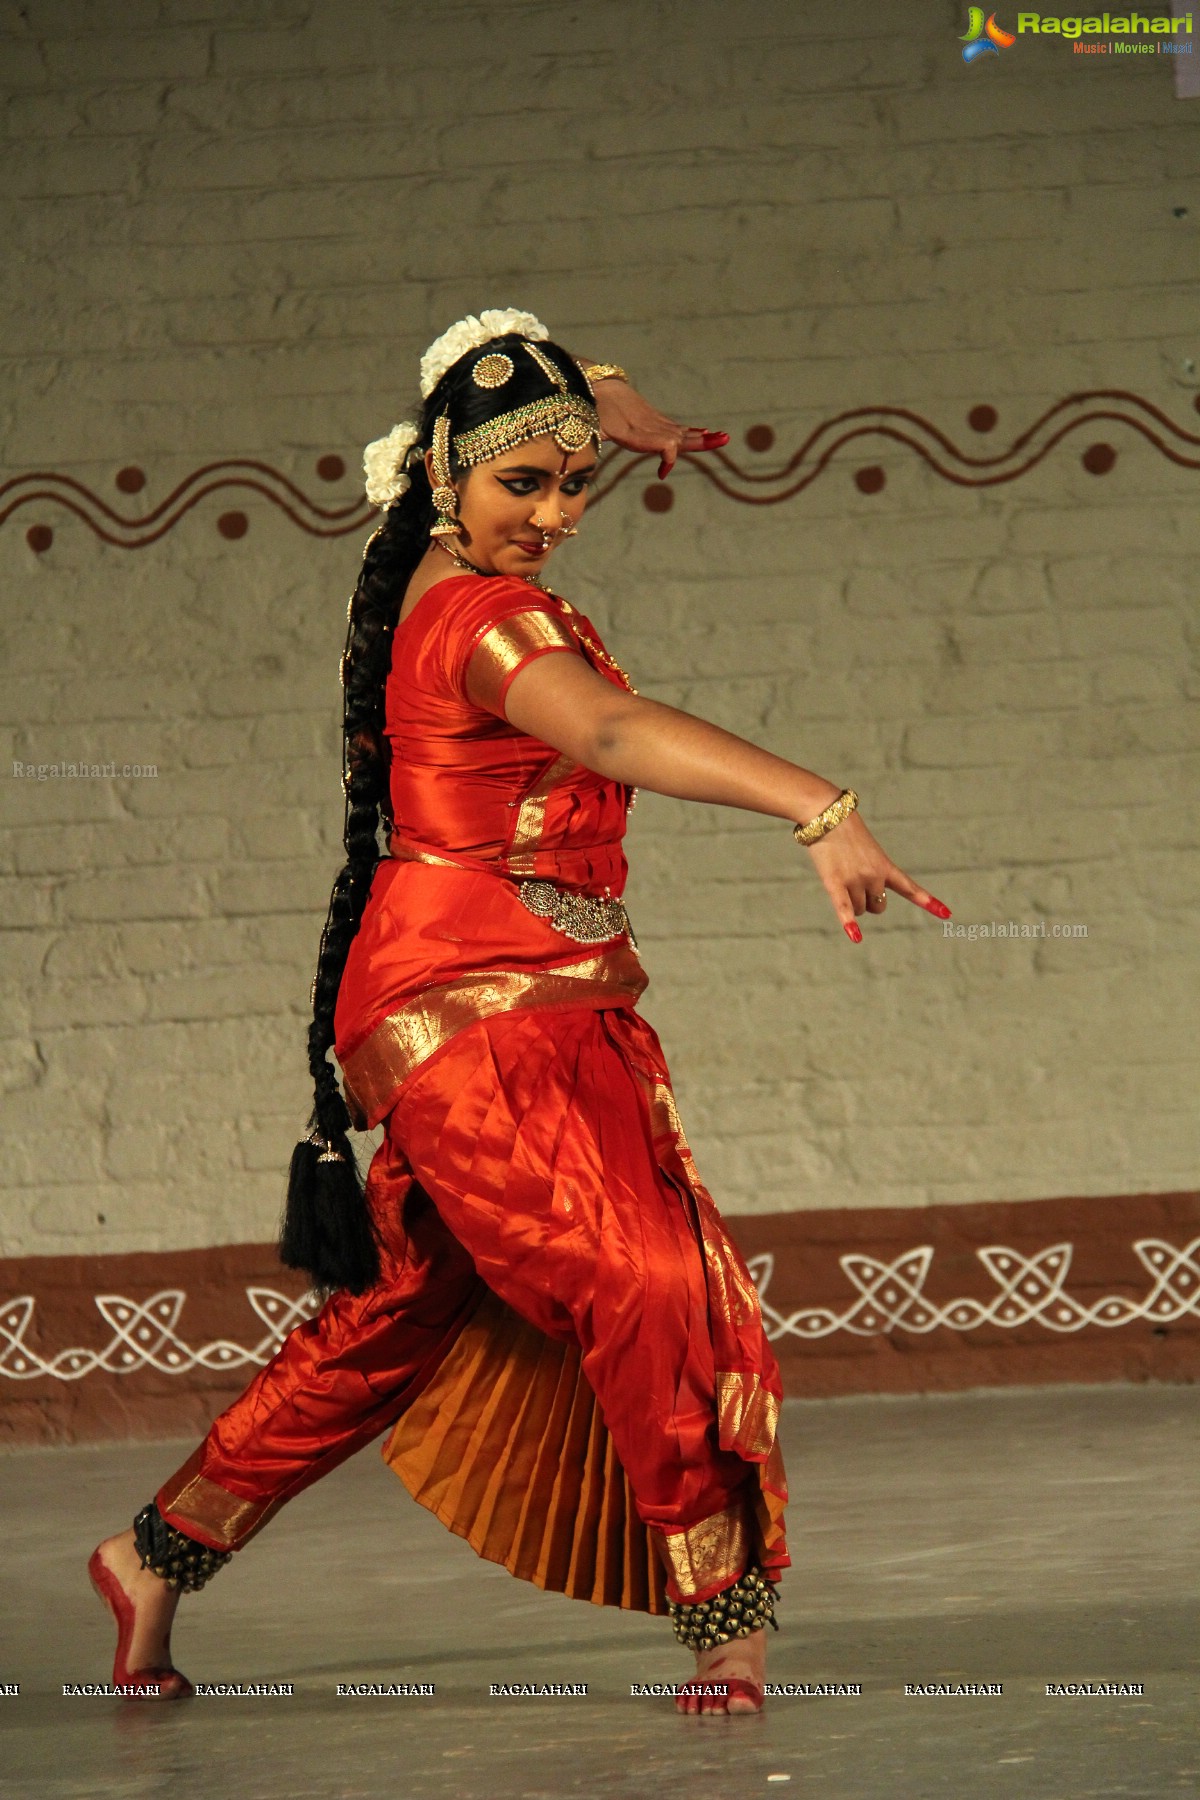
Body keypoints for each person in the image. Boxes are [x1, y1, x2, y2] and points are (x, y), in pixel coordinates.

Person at [89, 309, 951, 1717]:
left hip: (485, 1004)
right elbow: (607, 733)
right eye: (522, 485)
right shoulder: (482, 619)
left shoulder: (434, 564)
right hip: (486, 1019)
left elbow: (532, 359)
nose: (554, 514)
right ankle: (722, 1619)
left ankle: (152, 1555)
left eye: (574, 486)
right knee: (651, 1281)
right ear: (442, 472)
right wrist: (819, 805)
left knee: (387, 1321)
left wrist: (620, 404)